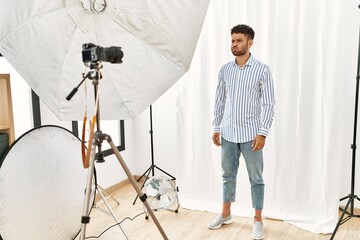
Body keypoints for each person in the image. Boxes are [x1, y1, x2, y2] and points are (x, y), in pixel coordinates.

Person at [208, 24, 275, 240]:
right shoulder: (225, 70)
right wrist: (216, 127)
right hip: (227, 133)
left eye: (239, 40)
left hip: (251, 135)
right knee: (228, 175)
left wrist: (262, 132)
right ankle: (226, 214)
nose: (234, 44)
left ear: (250, 42)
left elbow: (269, 104)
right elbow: (219, 100)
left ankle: (257, 220)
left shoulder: (262, 69)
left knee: (256, 178)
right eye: (232, 40)